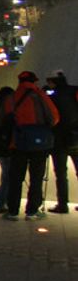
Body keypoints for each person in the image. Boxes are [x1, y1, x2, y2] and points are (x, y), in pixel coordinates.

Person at [1, 70, 60, 220]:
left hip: (18, 143)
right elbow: (54, 117)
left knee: (16, 179)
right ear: (34, 81)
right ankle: (32, 211)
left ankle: (13, 211)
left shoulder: (11, 98)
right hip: (39, 144)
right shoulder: (40, 95)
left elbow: (2, 120)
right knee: (36, 178)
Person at [45, 73, 77, 214]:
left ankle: (63, 205)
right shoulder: (74, 92)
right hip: (75, 138)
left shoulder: (52, 97)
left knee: (61, 174)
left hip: (58, 140)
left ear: (53, 82)